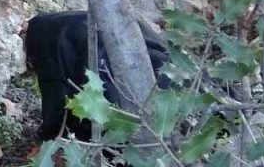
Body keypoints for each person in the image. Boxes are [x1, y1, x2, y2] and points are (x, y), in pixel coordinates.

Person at [24, 11, 172, 142]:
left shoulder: (42, 43)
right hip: (172, 82)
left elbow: (56, 96)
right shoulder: (56, 21)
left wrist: (46, 138)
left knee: (107, 124)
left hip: (122, 90)